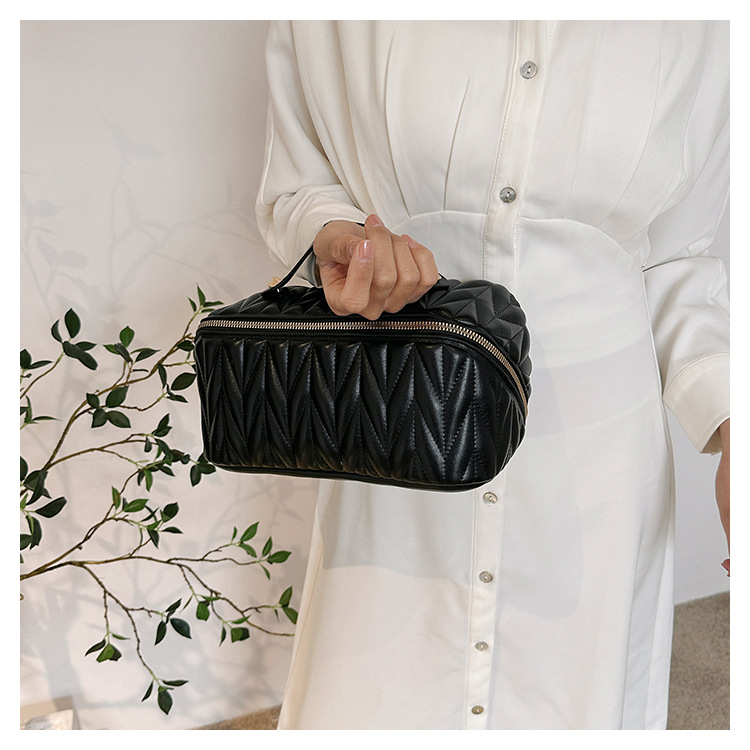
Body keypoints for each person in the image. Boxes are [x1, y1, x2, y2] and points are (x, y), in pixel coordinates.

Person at [255, 20, 730, 730]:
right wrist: (343, 240)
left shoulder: (705, 24)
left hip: (599, 464)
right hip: (400, 428)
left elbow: (680, 259)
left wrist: (733, 424)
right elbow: (298, 186)